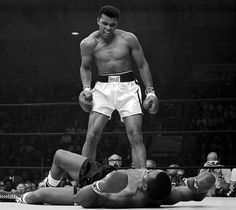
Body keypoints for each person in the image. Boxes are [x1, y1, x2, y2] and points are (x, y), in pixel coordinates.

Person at [79, 5, 158, 168]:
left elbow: (142, 65)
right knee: (92, 134)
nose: (108, 28)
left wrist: (150, 92)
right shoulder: (88, 43)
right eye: (105, 23)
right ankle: (85, 179)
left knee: (135, 134)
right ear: (98, 21)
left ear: (116, 24)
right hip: (102, 88)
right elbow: (85, 67)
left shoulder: (128, 38)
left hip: (128, 87)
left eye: (112, 25)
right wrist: (86, 88)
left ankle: (141, 178)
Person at [0, 149, 215, 207]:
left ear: (143, 187)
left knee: (39, 195)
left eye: (146, 175)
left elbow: (82, 201)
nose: (144, 171)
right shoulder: (169, 193)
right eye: (149, 170)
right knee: (59, 155)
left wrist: (100, 187)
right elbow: (195, 195)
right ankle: (48, 181)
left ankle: (15, 196)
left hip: (94, 189)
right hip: (102, 173)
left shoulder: (124, 196)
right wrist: (198, 184)